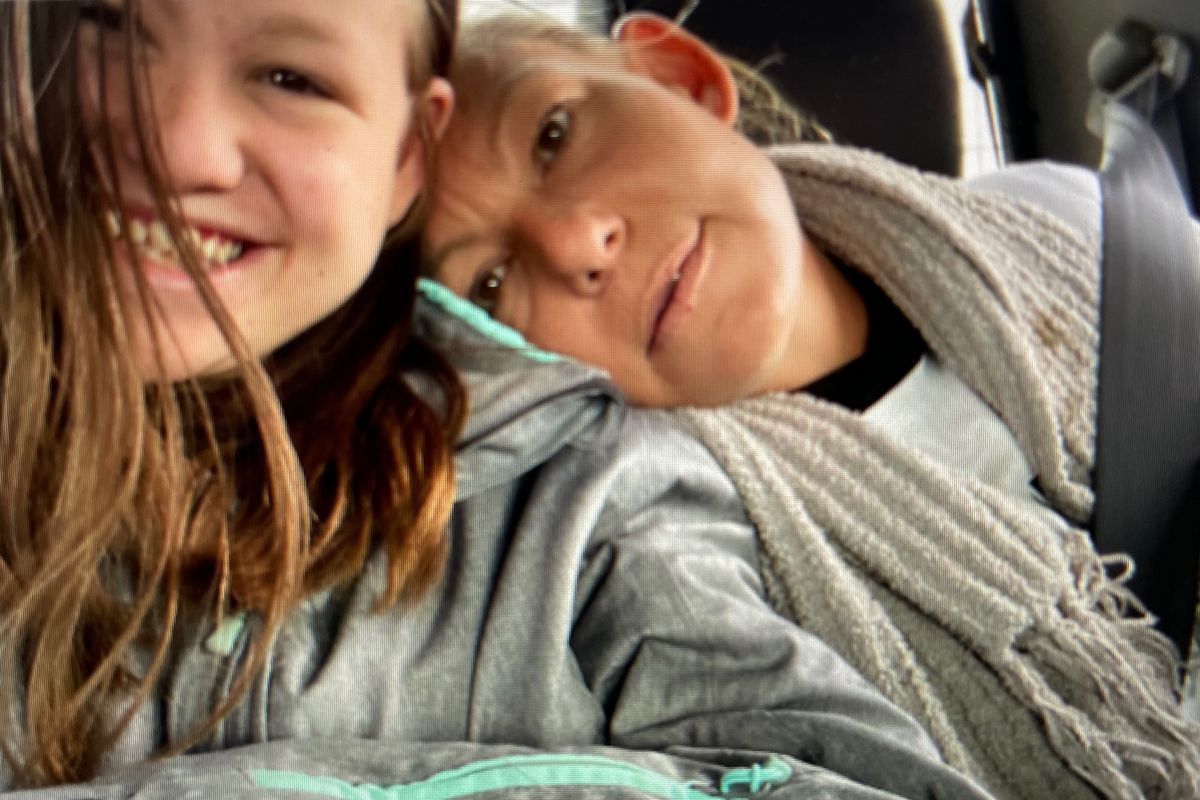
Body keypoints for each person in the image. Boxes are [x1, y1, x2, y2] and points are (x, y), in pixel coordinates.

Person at [0, 3, 998, 799]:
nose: (184, 148)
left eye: (292, 78)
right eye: (104, 22)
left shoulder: (585, 494)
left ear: (403, 157)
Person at [420, 10, 1200, 800]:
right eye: (490, 284)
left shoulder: (1067, 219)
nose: (577, 244)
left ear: (680, 79)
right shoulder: (676, 586)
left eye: (553, 136)